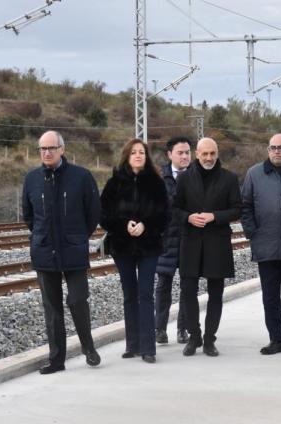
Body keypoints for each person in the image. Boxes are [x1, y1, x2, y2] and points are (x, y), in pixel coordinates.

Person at [21, 130, 102, 375]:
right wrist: (42, 236)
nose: (46, 152)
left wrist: (77, 237)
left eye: (51, 148)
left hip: (73, 251)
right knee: (52, 308)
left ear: (62, 149)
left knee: (77, 300)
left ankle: (88, 347)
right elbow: (29, 216)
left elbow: (93, 213)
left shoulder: (81, 177)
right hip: (45, 252)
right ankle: (57, 360)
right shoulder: (32, 179)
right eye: (42, 149)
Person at [100, 138, 169, 364]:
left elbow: (165, 216)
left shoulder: (157, 184)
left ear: (146, 156)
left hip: (149, 246)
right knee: (129, 294)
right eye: (134, 152)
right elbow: (104, 215)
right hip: (122, 246)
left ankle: (148, 347)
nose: (138, 155)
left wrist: (146, 225)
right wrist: (124, 225)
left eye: (142, 152)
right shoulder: (114, 183)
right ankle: (132, 344)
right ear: (127, 156)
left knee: (145, 294)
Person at [173, 137, 242, 357]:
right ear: (197, 154)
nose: (209, 158)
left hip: (217, 242)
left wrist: (215, 216)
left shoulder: (229, 178)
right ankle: (194, 337)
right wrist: (188, 217)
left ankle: (210, 339)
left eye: (213, 153)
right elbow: (174, 209)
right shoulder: (184, 179)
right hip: (191, 242)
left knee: (216, 293)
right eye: (205, 154)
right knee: (188, 291)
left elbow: (237, 209)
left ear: (217, 153)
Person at [242, 133, 281, 355]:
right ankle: (276, 338)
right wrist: (252, 232)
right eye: (272, 148)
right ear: (268, 150)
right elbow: (246, 205)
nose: (276, 151)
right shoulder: (254, 174)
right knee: (270, 296)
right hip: (265, 244)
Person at [154, 136, 192, 345]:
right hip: (166, 241)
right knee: (163, 286)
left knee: (188, 287)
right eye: (180, 152)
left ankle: (183, 329)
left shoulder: (196, 176)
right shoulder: (160, 178)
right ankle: (159, 328)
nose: (185, 156)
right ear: (170, 155)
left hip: (189, 241)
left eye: (187, 152)